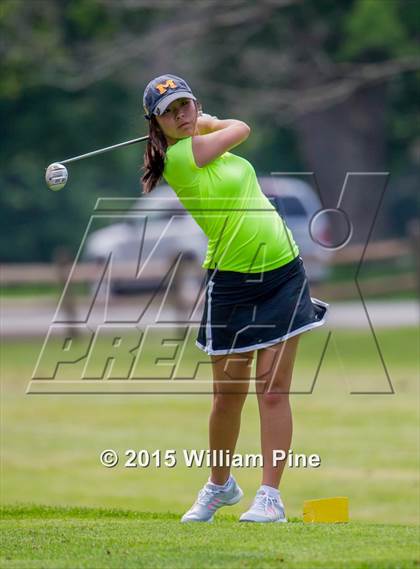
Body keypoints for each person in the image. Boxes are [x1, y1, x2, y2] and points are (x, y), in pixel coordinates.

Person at [141, 74, 329, 523]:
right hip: (230, 281)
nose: (183, 115)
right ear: (157, 124)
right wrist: (209, 122)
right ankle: (220, 485)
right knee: (227, 395)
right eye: (172, 111)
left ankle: (270, 497)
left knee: (272, 390)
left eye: (187, 105)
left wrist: (204, 122)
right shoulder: (180, 157)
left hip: (283, 272)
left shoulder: (207, 147)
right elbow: (242, 127)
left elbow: (233, 137)